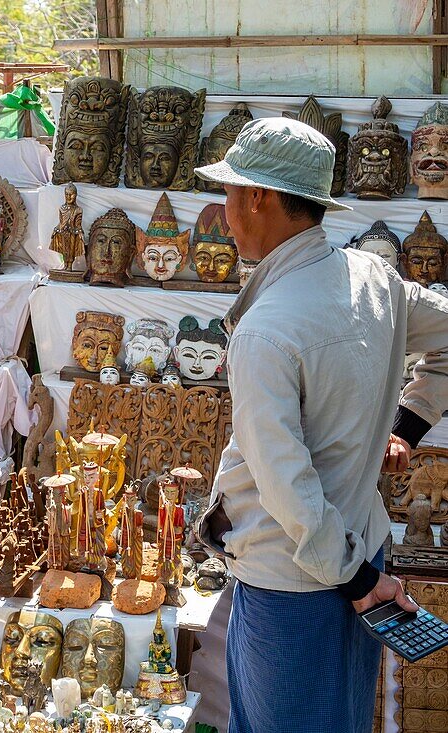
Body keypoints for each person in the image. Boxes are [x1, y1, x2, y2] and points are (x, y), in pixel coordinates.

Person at [194, 117, 448, 733]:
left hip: (297, 581)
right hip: (355, 555)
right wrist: (406, 429)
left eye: (228, 195)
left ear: (258, 197)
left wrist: (359, 580)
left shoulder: (268, 330)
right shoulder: (374, 279)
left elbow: (286, 485)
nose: (224, 214)